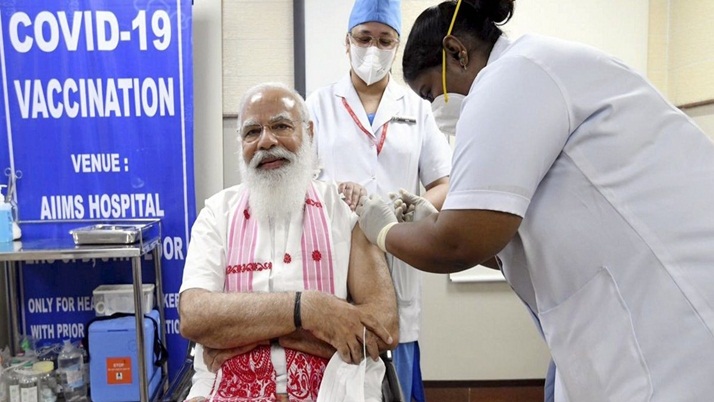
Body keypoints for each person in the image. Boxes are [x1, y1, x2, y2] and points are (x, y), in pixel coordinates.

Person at [355, 0, 714, 401]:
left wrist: (385, 231)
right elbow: (509, 240)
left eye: (430, 93)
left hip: (672, 333)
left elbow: (459, 244)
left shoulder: (513, 77)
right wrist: (429, 220)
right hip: (624, 321)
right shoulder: (536, 69)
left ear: (456, 52)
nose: (436, 110)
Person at [178, 82, 399, 402]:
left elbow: (382, 326)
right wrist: (309, 310)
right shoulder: (217, 214)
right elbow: (195, 316)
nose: (266, 141)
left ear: (308, 132)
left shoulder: (345, 210)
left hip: (331, 387)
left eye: (281, 126)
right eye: (252, 132)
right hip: (229, 386)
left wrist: (244, 334)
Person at [305, 1, 453, 400]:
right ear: (347, 41)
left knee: (398, 372)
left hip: (398, 253)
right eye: (364, 38)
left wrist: (407, 204)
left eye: (384, 40)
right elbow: (300, 185)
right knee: (339, 370)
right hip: (336, 257)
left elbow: (444, 181)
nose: (373, 48)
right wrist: (335, 196)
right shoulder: (318, 105)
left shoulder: (417, 108)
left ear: (397, 45)